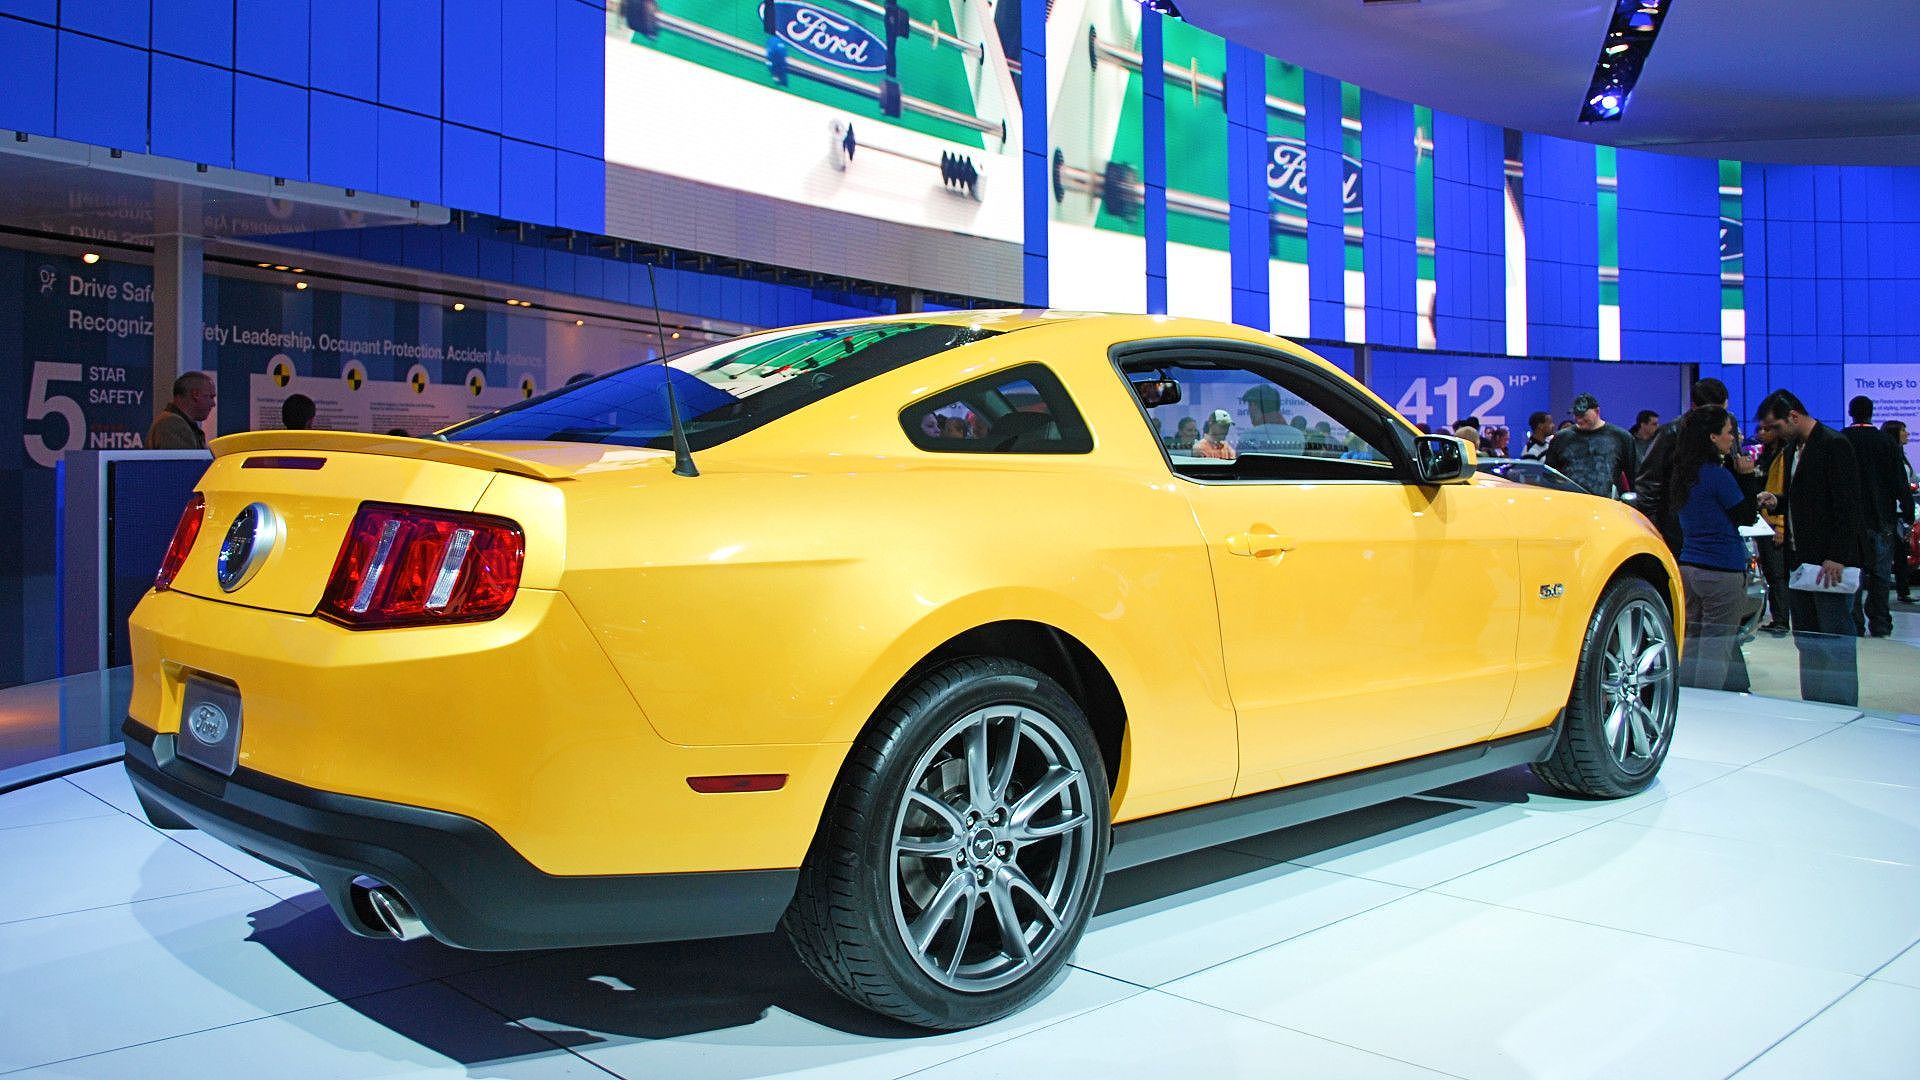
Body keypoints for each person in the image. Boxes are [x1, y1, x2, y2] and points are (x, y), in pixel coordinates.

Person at [1753, 389, 1870, 706]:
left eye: (1775, 426)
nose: (1772, 434)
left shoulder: (1834, 445)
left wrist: (1838, 556)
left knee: (1834, 638)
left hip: (1829, 563)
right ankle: (1816, 704)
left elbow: (1848, 506)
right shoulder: (1793, 450)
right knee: (1806, 638)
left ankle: (1841, 706)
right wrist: (1777, 501)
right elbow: (1807, 502)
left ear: (1793, 416)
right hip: (1800, 562)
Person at [1666, 406, 1758, 691]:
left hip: (1689, 568)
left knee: (1691, 642)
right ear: (1712, 437)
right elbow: (1747, 515)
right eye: (1729, 433)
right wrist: (1747, 476)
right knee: (1716, 648)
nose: (1734, 438)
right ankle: (1709, 706)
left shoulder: (1682, 475)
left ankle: (1688, 702)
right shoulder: (1717, 476)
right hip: (1722, 571)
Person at [1840, 396, 1912, 637]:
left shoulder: (1841, 439)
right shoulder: (1886, 442)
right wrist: (1909, 512)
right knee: (1881, 576)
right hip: (1883, 519)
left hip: (1851, 521)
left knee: (1854, 575)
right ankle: (1880, 622)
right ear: (1871, 413)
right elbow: (1899, 481)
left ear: (1851, 412)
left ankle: (1855, 623)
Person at [1634, 378, 1730, 551]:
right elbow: (1648, 481)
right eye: (1711, 412)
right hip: (1678, 528)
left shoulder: (1728, 430)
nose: (1717, 419)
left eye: (1721, 411)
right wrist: (1655, 527)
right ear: (1694, 406)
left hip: (1719, 524)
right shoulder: (1672, 432)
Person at [1544, 392, 1637, 498]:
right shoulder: (1561, 438)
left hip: (1607, 506)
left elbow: (1633, 477)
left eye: (1583, 415)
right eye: (1576, 415)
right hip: (1571, 504)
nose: (1579, 420)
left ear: (1597, 411)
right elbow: (1549, 475)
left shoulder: (1621, 437)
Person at [1754, 420, 1793, 633]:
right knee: (1770, 573)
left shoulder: (1783, 456)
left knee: (1777, 574)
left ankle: (1780, 620)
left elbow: (1782, 491)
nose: (1761, 433)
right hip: (1764, 521)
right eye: (1759, 429)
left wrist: (1780, 526)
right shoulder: (1765, 454)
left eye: (1767, 429)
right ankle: (1777, 617)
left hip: (1774, 523)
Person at [1885, 419, 1916, 603]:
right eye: (1904, 430)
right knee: (1895, 552)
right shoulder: (1891, 456)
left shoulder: (1901, 455)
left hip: (1901, 511)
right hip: (1893, 512)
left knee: (1901, 553)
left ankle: (1903, 590)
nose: (1907, 434)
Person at [147, 371, 216, 449]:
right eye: (211, 397)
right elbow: (183, 461)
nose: (213, 404)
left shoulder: (172, 422)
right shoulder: (172, 424)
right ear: (195, 394)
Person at [1238, 386, 1303, 453]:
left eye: (1249, 405)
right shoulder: (1298, 435)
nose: (1249, 411)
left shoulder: (1250, 435)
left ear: (1253, 405)